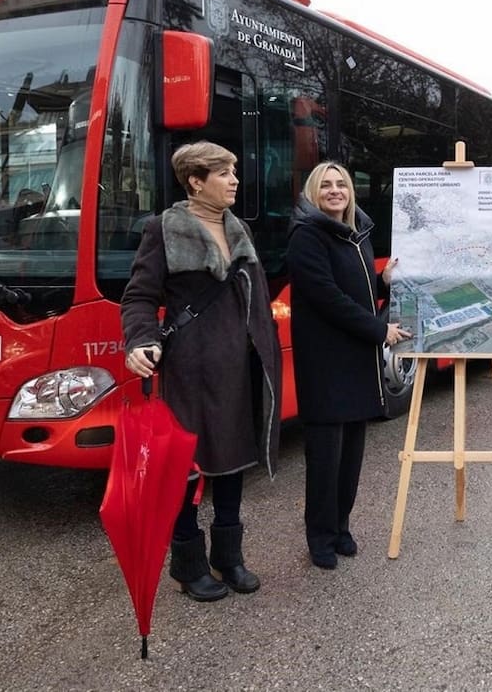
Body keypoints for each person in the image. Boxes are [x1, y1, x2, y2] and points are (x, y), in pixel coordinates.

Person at [121, 141, 281, 602]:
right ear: (195, 180)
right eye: (224, 172)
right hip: (189, 369)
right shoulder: (163, 228)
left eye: (234, 171)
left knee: (232, 462)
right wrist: (139, 340)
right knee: (185, 469)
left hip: (240, 365)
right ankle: (189, 565)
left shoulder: (239, 229)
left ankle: (229, 558)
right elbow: (139, 297)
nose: (235, 180)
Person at [286, 161, 411, 569]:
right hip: (326, 363)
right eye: (326, 185)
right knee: (325, 458)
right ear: (313, 192)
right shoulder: (307, 236)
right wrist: (380, 331)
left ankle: (341, 527)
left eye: (341, 184)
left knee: (351, 454)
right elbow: (327, 297)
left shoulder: (357, 235)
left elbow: (353, 291)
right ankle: (319, 537)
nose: (336, 190)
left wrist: (382, 283)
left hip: (357, 360)